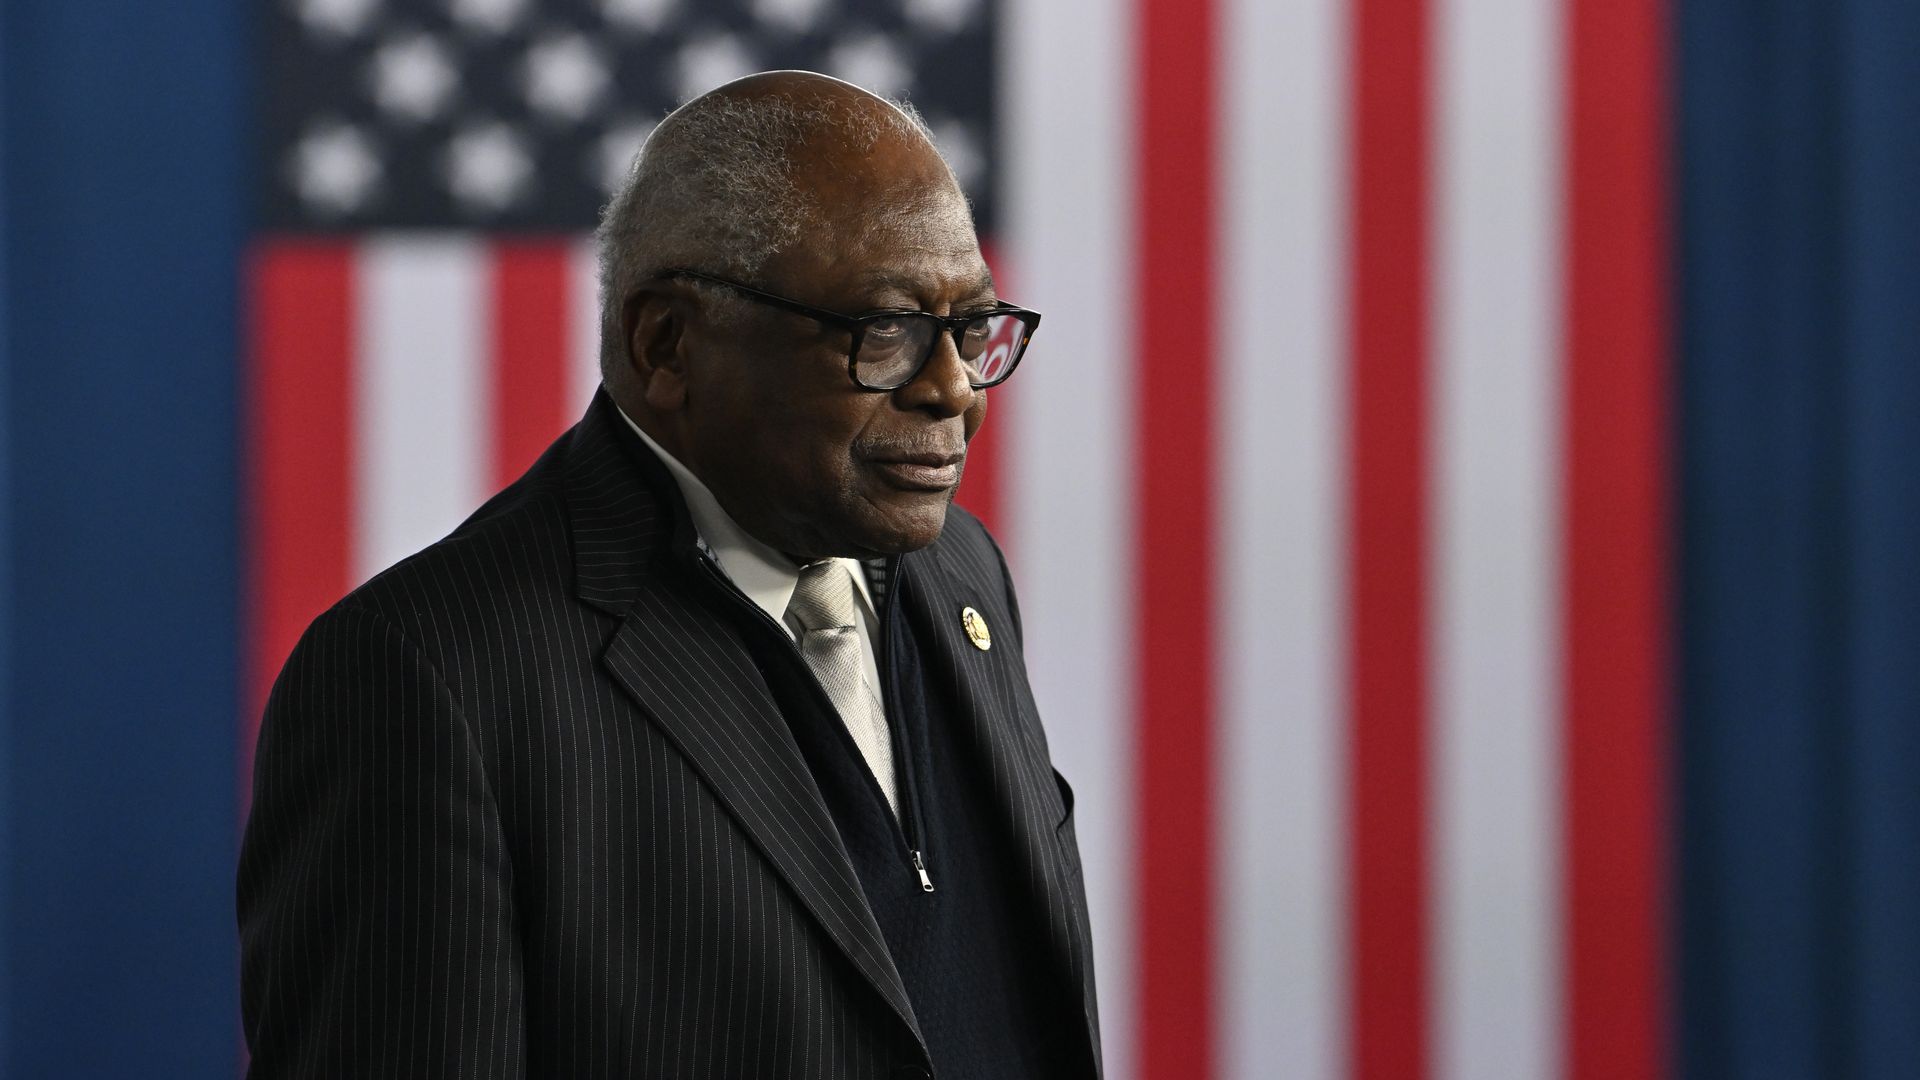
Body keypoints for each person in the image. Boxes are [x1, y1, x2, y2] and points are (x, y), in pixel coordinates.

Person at [237, 71, 1101, 1079]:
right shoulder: (426, 679)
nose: (953, 388)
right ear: (668, 343)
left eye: (969, 328)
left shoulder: (963, 573)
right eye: (886, 330)